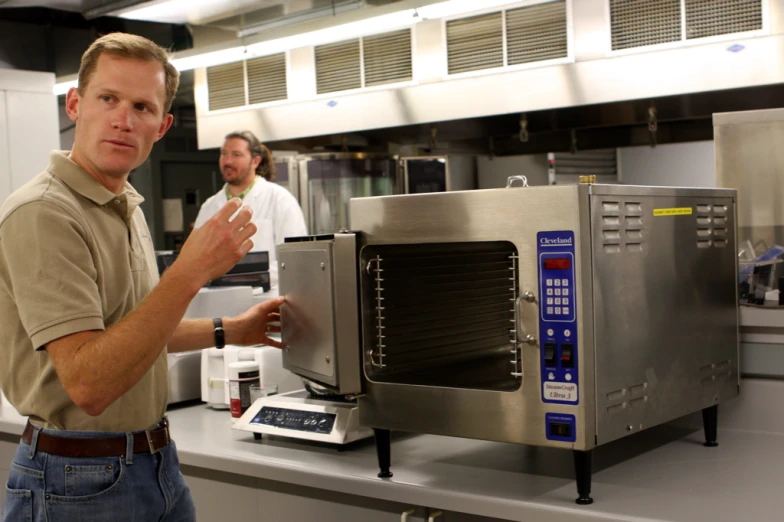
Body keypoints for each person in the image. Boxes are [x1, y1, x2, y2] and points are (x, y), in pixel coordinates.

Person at [0, 33, 284, 522]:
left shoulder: (125, 205)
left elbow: (136, 332)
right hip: (78, 477)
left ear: (162, 125)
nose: (122, 119)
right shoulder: (45, 212)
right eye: (107, 98)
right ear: (75, 104)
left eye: (142, 106)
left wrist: (233, 329)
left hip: (154, 462)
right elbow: (89, 383)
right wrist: (190, 271)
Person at [193, 130, 307, 289]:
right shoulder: (209, 206)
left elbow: (295, 260)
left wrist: (243, 276)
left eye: (236, 155)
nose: (228, 161)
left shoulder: (280, 199)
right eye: (224, 154)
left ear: (255, 161)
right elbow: (195, 257)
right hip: (217, 300)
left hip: (265, 297)